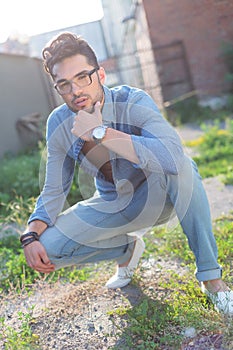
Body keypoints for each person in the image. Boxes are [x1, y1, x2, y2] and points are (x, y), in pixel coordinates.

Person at [20, 32, 233, 315]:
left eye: (83, 77)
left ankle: (211, 280)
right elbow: (54, 189)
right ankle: (126, 250)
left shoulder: (133, 100)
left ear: (101, 74)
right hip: (111, 203)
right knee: (48, 246)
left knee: (181, 165)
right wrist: (30, 235)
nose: (75, 91)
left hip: (158, 195)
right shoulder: (58, 122)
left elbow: (171, 155)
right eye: (64, 84)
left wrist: (101, 132)